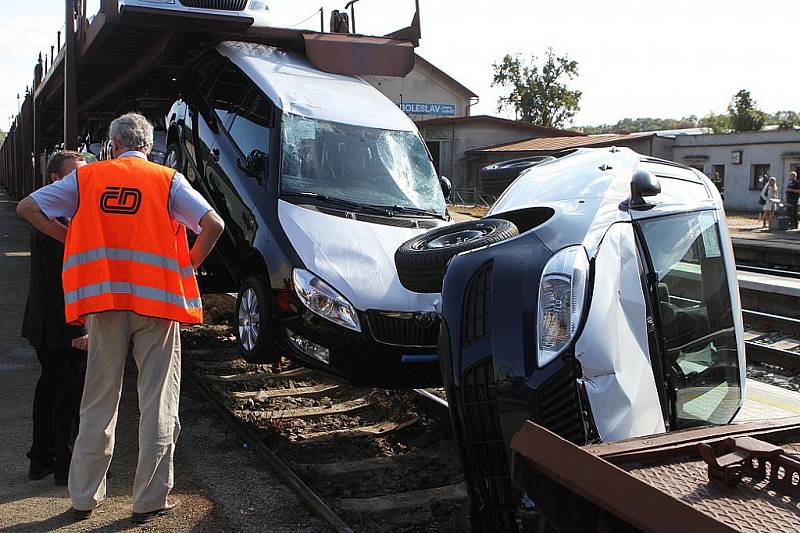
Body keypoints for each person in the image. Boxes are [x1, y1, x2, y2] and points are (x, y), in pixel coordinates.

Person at [16, 113, 225, 523]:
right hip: (159, 306)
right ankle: (149, 499)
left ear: (112, 145)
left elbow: (27, 207)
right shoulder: (168, 180)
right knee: (158, 402)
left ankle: (83, 496)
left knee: (98, 401)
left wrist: (68, 235)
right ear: (149, 146)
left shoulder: (86, 179)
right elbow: (212, 224)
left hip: (105, 304)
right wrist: (188, 266)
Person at [22, 151, 89, 486]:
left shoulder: (56, 216)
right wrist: (77, 329)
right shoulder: (53, 222)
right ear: (54, 179)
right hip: (57, 327)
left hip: (46, 324)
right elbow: (59, 285)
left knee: (50, 389)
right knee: (66, 395)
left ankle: (41, 458)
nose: (83, 180)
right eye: (76, 174)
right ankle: (63, 468)